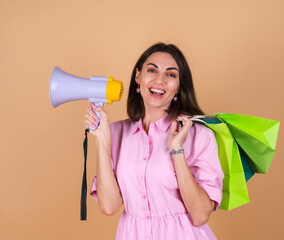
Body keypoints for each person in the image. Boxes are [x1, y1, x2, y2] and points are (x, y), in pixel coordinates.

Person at [84, 43, 224, 240]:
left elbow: (200, 215)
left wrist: (177, 149)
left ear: (180, 86)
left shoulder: (198, 136)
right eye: (152, 70)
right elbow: (109, 207)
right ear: (138, 77)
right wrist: (102, 139)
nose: (160, 80)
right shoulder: (116, 132)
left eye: (171, 74)